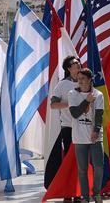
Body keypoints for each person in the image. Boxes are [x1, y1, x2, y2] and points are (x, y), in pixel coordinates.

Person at [68, 68, 104, 203]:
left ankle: (97, 193)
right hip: (79, 137)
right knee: (82, 169)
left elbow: (99, 114)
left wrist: (96, 130)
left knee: (99, 167)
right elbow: (75, 113)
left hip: (95, 137)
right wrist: (87, 101)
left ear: (89, 79)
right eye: (79, 79)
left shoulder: (98, 94)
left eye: (83, 78)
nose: (80, 81)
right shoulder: (72, 94)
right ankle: (85, 196)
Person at [47, 56, 80, 195]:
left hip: (84, 128)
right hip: (68, 128)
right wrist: (70, 105)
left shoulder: (85, 81)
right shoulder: (62, 85)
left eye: (79, 63)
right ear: (68, 68)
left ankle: (78, 191)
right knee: (69, 161)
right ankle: (68, 191)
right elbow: (53, 104)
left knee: (81, 162)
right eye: (74, 64)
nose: (78, 65)